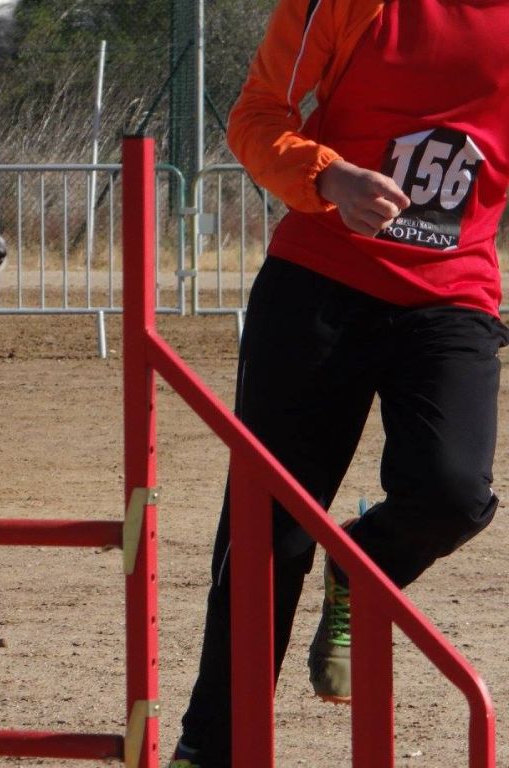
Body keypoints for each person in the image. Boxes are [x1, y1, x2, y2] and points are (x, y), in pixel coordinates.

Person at [169, 1, 509, 766]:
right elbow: (257, 116)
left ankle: (365, 563)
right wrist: (329, 176)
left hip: (451, 294)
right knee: (270, 532)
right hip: (319, 280)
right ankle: (210, 746)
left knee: (453, 493)